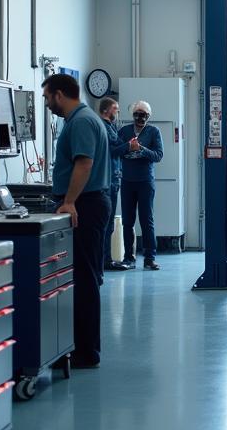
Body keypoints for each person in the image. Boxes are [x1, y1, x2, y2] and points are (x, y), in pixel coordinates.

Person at [43, 73, 111, 369]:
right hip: (88, 202)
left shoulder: (82, 121)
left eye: (46, 97)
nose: (46, 103)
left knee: (84, 280)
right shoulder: (81, 120)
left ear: (60, 94)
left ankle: (86, 351)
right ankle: (77, 346)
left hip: (85, 204)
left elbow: (84, 163)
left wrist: (69, 201)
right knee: (83, 277)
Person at [118, 99, 164, 271]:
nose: (139, 117)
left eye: (143, 114)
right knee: (127, 222)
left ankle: (149, 258)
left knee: (147, 221)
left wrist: (142, 149)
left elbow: (159, 155)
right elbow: (115, 150)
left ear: (148, 116)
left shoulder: (153, 132)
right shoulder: (124, 131)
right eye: (136, 114)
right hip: (127, 181)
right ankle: (129, 257)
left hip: (145, 182)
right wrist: (128, 147)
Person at [98, 96, 130, 272]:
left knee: (109, 223)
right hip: (108, 180)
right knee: (107, 222)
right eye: (115, 109)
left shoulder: (110, 126)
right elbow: (112, 149)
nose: (117, 112)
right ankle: (104, 260)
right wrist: (128, 147)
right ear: (106, 110)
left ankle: (106, 258)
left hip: (114, 178)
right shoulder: (103, 127)